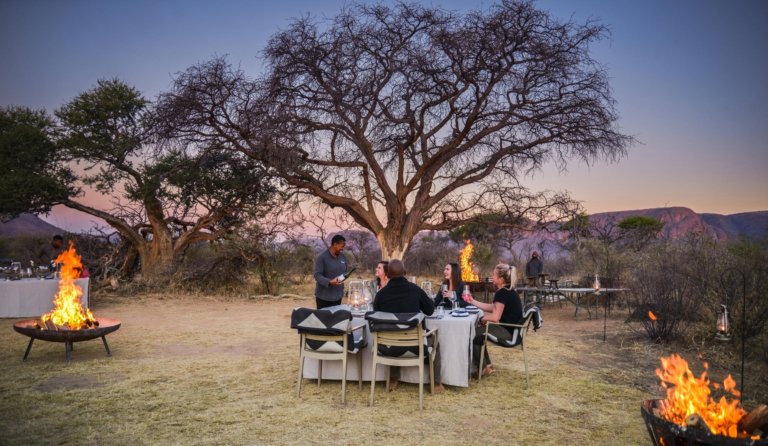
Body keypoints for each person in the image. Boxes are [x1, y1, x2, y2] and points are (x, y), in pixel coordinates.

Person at [372, 259, 443, 393]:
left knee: (394, 333)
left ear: (387, 274)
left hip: (388, 348)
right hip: (416, 347)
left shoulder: (380, 295)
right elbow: (430, 310)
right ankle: (436, 383)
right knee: (435, 341)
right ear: (405, 273)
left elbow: (377, 318)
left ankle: (393, 379)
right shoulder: (416, 290)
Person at [463, 263, 523, 378]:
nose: (492, 276)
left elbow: (495, 317)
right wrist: (473, 301)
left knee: (475, 334)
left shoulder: (502, 293)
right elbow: (493, 308)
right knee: (480, 332)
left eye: (494, 274)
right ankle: (488, 366)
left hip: (508, 332)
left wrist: (482, 319)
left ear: (501, 279)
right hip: (512, 330)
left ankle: (482, 368)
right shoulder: (507, 291)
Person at [313, 234, 349, 309]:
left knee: (336, 320)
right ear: (335, 244)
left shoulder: (343, 257)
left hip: (338, 296)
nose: (343, 249)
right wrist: (329, 281)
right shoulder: (322, 257)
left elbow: (345, 270)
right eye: (342, 246)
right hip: (324, 298)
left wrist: (346, 275)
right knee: (324, 320)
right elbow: (317, 275)